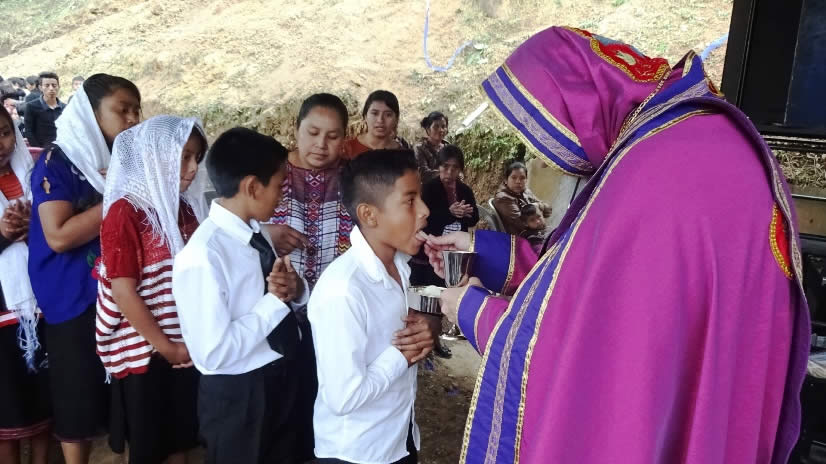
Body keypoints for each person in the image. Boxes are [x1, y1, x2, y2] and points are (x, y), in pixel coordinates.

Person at [425, 26, 810, 463]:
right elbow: (588, 278)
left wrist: (471, 308)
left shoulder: (650, 172)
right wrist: (477, 247)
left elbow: (572, 353)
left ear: (582, 107)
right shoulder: (704, 138)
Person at [173, 127, 309, 464]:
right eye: (279, 186)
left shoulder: (256, 233)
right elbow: (214, 353)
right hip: (240, 397)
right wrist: (273, 303)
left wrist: (294, 289)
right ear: (252, 187)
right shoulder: (203, 256)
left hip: (280, 375)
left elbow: (279, 292)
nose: (281, 196)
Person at [28, 73, 141, 464]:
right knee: (76, 394)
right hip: (72, 294)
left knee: (122, 389)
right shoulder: (57, 162)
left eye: (136, 110)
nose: (133, 119)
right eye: (122, 110)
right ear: (91, 114)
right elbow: (59, 236)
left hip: (118, 288)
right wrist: (117, 195)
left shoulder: (124, 161)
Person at [95, 116, 208, 464]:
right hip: (145, 353)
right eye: (184, 157)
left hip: (180, 344)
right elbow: (123, 292)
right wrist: (167, 348)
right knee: (150, 447)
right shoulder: (125, 212)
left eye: (197, 158)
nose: (193, 168)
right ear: (154, 156)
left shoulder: (182, 208)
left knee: (179, 441)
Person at [311, 149, 429, 464]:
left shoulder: (400, 267)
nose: (425, 211)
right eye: (410, 201)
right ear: (369, 215)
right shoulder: (343, 291)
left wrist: (422, 329)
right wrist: (402, 355)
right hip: (358, 452)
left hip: (398, 436)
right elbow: (344, 397)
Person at [0, 105, 51, 464]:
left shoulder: (33, 173)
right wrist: (4, 235)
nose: (1, 143)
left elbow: (56, 225)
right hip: (4, 315)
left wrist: (36, 226)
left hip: (41, 304)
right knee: (8, 411)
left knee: (43, 402)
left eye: (5, 133)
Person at [410, 145, 478, 359]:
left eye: (454, 168)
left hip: (450, 256)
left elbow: (474, 218)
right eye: (445, 167)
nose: (449, 172)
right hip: (428, 254)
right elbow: (424, 221)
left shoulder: (465, 191)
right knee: (422, 299)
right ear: (438, 166)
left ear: (460, 169)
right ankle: (416, 340)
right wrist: (449, 213)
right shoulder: (429, 189)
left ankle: (435, 339)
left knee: (441, 298)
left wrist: (465, 213)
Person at [343, 90, 409, 159]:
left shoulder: (403, 156)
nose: (380, 120)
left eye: (388, 115)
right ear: (365, 116)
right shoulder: (346, 150)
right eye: (375, 113)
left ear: (396, 119)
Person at [492, 161, 551, 236]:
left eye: (522, 178)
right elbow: (522, 223)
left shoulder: (526, 191)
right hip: (523, 238)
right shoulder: (503, 198)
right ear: (506, 180)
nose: (518, 181)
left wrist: (538, 205)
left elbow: (548, 211)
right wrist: (537, 208)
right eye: (514, 178)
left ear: (526, 180)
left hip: (538, 232)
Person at [24, 72, 66, 148]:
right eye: (47, 85)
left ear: (58, 87)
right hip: (42, 150)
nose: (51, 88)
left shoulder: (65, 107)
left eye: (54, 85)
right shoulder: (31, 106)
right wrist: (39, 150)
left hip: (62, 149)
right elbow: (29, 131)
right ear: (40, 87)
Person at [413, 111, 449, 183]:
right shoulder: (419, 148)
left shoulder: (448, 147)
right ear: (428, 129)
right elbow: (423, 174)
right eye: (436, 126)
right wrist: (447, 173)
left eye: (443, 126)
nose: (441, 130)